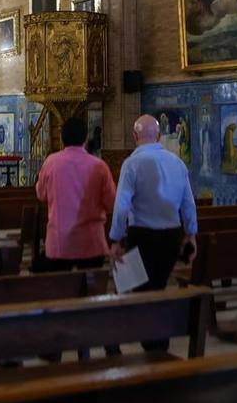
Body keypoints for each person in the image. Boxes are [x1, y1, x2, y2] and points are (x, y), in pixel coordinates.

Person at [109, 114, 198, 351]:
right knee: (157, 286)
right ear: (158, 136)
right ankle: (156, 343)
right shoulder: (177, 163)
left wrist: (115, 238)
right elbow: (188, 204)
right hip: (171, 236)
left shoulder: (132, 164)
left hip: (142, 236)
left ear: (134, 136)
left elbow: (121, 205)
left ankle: (150, 343)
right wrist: (191, 234)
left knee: (132, 287)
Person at [34, 115, 116, 273]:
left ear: (62, 137)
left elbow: (41, 194)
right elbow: (112, 202)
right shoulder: (99, 166)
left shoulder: (51, 162)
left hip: (59, 242)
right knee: (91, 286)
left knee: (61, 287)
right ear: (85, 138)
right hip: (91, 241)